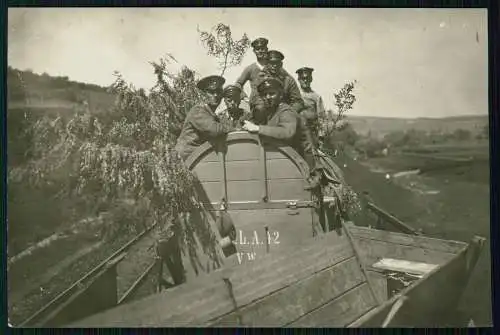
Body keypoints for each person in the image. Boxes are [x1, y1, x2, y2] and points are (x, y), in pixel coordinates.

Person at [242, 77, 319, 190]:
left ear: (281, 95)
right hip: (284, 161)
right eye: (265, 94)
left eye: (272, 93)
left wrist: (258, 128)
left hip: (301, 166)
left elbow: (287, 132)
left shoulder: (286, 111)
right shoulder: (270, 111)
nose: (268, 97)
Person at [175, 75, 235, 160]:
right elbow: (215, 130)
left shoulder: (210, 114)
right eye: (211, 92)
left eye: (218, 91)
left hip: (198, 158)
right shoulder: (198, 111)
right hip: (186, 160)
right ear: (203, 95)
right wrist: (236, 129)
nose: (215, 95)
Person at [235, 37, 272, 124]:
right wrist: (244, 97)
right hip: (257, 104)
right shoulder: (250, 68)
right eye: (257, 49)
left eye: (262, 48)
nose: (260, 51)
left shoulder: (273, 67)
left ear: (266, 49)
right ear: (254, 51)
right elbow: (238, 83)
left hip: (272, 102)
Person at [262, 50, 305, 115]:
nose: (274, 66)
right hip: (265, 112)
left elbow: (298, 102)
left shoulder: (288, 80)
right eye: (271, 63)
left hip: (283, 112)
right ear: (267, 64)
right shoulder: (260, 78)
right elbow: (256, 98)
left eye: (277, 63)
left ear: (281, 64)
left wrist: (288, 112)